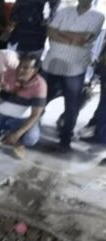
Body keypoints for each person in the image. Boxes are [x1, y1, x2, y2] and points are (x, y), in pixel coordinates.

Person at [43, 0, 104, 149]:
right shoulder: (64, 11)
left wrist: (61, 33)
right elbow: (50, 32)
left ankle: (65, 138)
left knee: (71, 106)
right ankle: (29, 130)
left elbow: (83, 39)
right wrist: (73, 38)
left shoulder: (98, 16)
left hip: (75, 67)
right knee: (41, 100)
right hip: (52, 63)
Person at [0, 54, 47, 157]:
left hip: (22, 119)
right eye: (19, 66)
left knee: (31, 139)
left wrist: (17, 134)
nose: (20, 70)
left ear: (34, 71)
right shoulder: (6, 74)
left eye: (25, 68)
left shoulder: (40, 85)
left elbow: (36, 115)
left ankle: (18, 142)